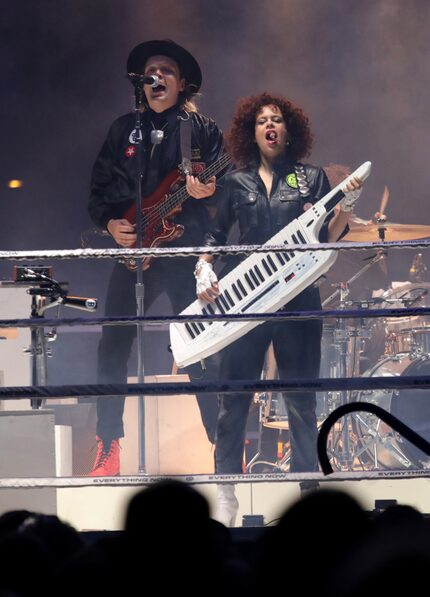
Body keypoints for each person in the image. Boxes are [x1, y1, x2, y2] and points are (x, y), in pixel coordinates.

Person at [193, 92, 363, 525]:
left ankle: (308, 490)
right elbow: (214, 236)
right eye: (262, 120)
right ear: (251, 132)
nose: (270, 125)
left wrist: (348, 208)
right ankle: (226, 492)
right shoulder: (236, 182)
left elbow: (329, 236)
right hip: (247, 300)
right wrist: (203, 268)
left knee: (301, 400)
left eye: (278, 120)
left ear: (290, 131)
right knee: (233, 398)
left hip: (297, 298)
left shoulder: (311, 179)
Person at [88, 39, 225, 475]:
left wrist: (211, 189)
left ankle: (223, 446)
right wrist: (111, 224)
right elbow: (97, 193)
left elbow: (226, 191)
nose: (158, 77)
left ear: (183, 83)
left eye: (167, 71)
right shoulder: (122, 129)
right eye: (151, 71)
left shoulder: (201, 129)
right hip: (132, 254)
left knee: (200, 348)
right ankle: (109, 444)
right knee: (112, 347)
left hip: (185, 254)